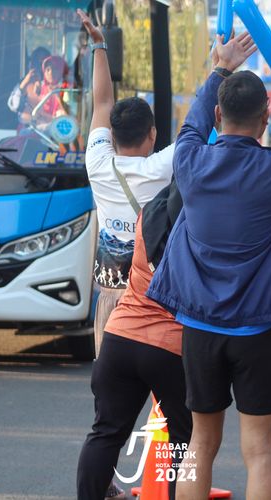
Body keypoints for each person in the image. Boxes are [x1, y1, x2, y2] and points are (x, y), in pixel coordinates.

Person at [146, 37, 271, 499]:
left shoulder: (190, 160)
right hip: (259, 329)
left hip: (200, 326)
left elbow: (192, 123)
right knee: (259, 449)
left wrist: (220, 68)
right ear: (266, 116)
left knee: (200, 442)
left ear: (219, 115)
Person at [77, 181, 191, 500]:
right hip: (171, 346)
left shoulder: (148, 215)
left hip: (120, 337)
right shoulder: (200, 228)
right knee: (186, 441)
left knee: (105, 433)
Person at [77, 9, 175, 357]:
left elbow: (103, 102)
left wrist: (99, 46)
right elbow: (198, 130)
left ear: (113, 135)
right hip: (151, 301)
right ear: (153, 134)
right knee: (158, 385)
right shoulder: (163, 166)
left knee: (110, 385)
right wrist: (220, 69)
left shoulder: (97, 162)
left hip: (109, 298)